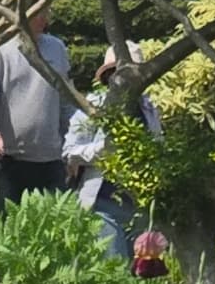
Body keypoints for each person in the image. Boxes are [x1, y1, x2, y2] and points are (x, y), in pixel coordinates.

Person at [65, 44, 159, 262]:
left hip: (139, 207)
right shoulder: (93, 107)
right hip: (103, 204)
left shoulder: (148, 108)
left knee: (143, 277)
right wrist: (103, 149)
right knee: (115, 272)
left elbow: (158, 145)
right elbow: (70, 152)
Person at [0, 7, 74, 201]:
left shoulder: (57, 48)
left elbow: (65, 99)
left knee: (57, 226)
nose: (44, 17)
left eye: (47, 11)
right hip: (7, 160)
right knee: (5, 226)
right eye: (38, 11)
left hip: (51, 160)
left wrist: (74, 144)